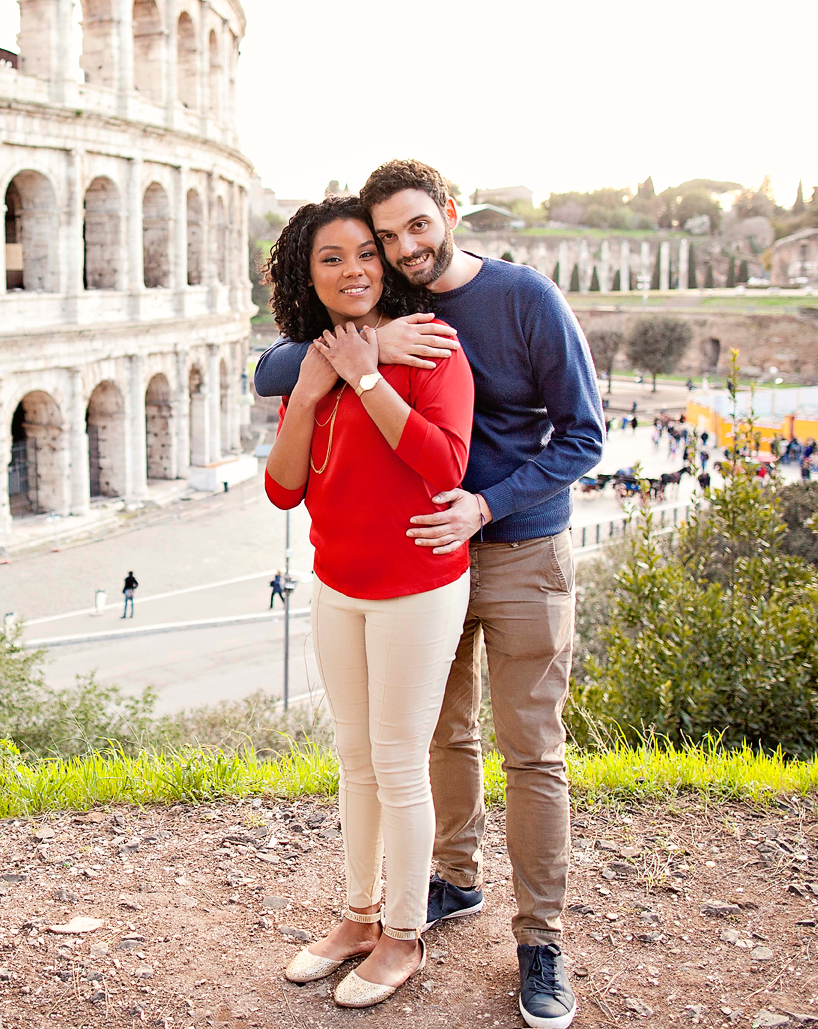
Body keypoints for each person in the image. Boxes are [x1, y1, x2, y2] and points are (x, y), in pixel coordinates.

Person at [256, 160, 602, 1029]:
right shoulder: (390, 317)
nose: (399, 250)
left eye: (416, 229)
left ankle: (539, 939)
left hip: (513, 544)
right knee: (428, 742)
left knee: (529, 751)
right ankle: (444, 884)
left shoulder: (520, 297)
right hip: (416, 552)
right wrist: (352, 355)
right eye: (383, 238)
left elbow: (584, 434)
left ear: (449, 215)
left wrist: (486, 502)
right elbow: (282, 362)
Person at [262, 194, 473, 1010]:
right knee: (353, 759)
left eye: (364, 254)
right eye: (331, 258)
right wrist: (316, 387)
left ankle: (403, 934)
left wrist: (369, 376)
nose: (353, 269)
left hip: (416, 586)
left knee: (396, 763)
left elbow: (441, 466)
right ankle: (355, 917)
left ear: (384, 265)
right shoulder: (306, 364)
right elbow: (284, 487)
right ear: (305, 275)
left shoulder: (428, 347)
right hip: (338, 583)